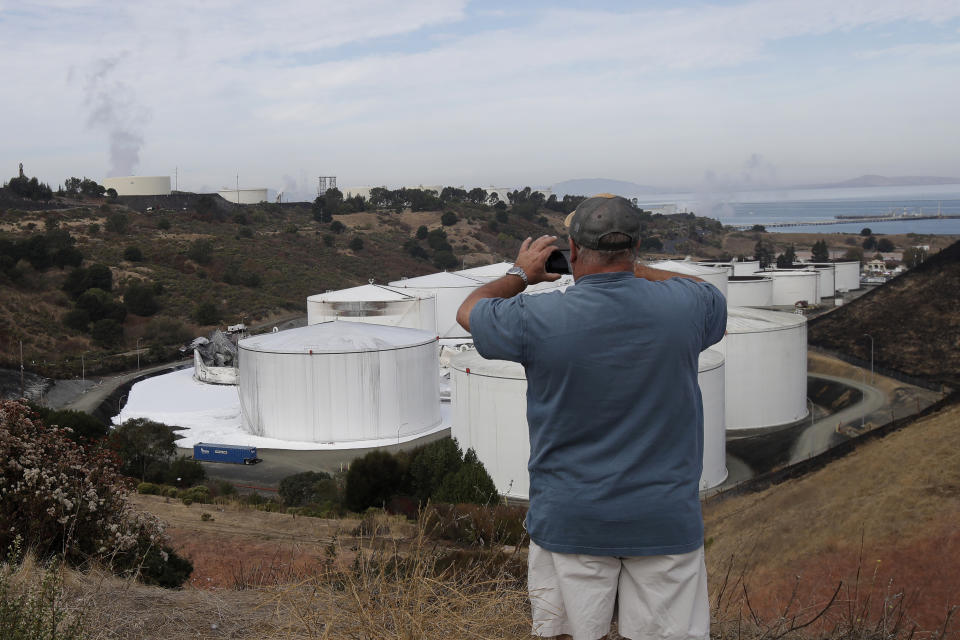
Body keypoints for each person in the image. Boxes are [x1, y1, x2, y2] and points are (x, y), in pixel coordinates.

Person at [456, 194, 727, 640]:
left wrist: (520, 274)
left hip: (570, 520)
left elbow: (469, 312)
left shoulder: (537, 317)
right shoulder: (685, 308)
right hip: (664, 521)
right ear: (636, 247)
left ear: (573, 251)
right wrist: (631, 270)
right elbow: (704, 289)